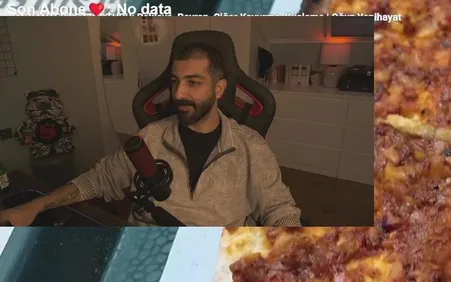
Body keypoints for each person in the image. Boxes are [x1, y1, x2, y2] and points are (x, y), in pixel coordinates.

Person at [0, 43, 301, 227]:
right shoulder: (152, 138)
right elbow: (97, 180)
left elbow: (280, 211)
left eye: (193, 82)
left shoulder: (250, 147)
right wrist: (35, 205)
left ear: (219, 89)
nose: (179, 93)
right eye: (175, 82)